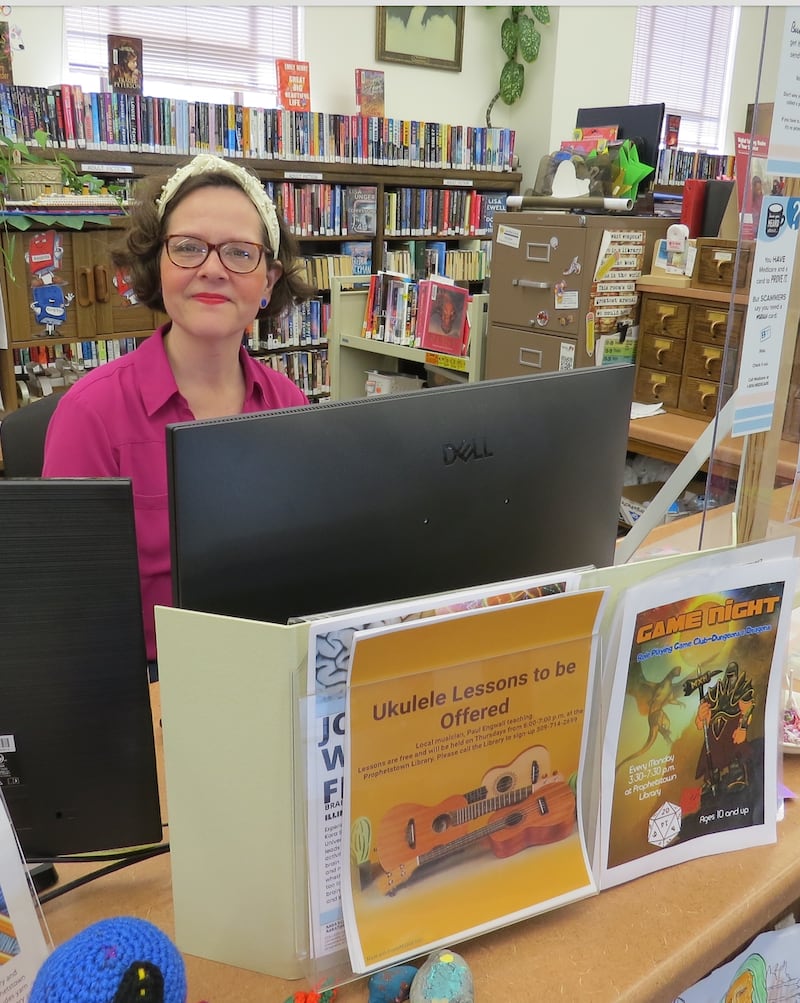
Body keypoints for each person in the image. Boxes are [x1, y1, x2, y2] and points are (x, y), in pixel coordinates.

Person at [42, 153, 314, 673]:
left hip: (267, 659)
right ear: (156, 264)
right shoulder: (89, 415)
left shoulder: (289, 406)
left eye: (239, 252)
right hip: (145, 677)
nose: (212, 269)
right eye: (188, 247)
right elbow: (70, 610)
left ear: (269, 280)